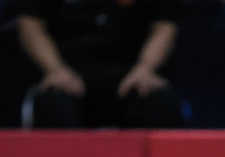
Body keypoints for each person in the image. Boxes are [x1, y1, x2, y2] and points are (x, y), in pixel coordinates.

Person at [16, 0, 184, 128]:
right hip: (66, 74)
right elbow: (30, 22)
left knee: (160, 102)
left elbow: (165, 24)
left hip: (132, 76)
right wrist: (55, 70)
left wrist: (145, 68)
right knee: (52, 104)